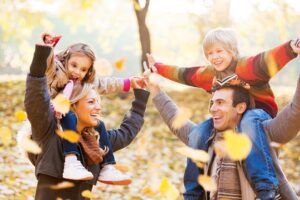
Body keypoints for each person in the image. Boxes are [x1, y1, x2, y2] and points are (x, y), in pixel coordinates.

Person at [147, 27, 300, 197]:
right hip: (230, 118)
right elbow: (184, 74)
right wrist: (158, 68)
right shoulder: (209, 75)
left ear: (233, 51)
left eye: (219, 51)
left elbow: (268, 60)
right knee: (197, 133)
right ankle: (192, 192)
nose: (214, 56)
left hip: (258, 113)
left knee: (248, 122)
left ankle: (265, 186)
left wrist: (291, 47)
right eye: (210, 53)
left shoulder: (246, 67)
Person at [25, 44, 149, 200]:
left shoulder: (95, 142)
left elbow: (126, 133)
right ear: (74, 105)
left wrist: (140, 97)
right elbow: (36, 94)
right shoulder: (49, 134)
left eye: (98, 102)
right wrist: (43, 51)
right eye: (91, 101)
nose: (98, 107)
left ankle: (107, 167)